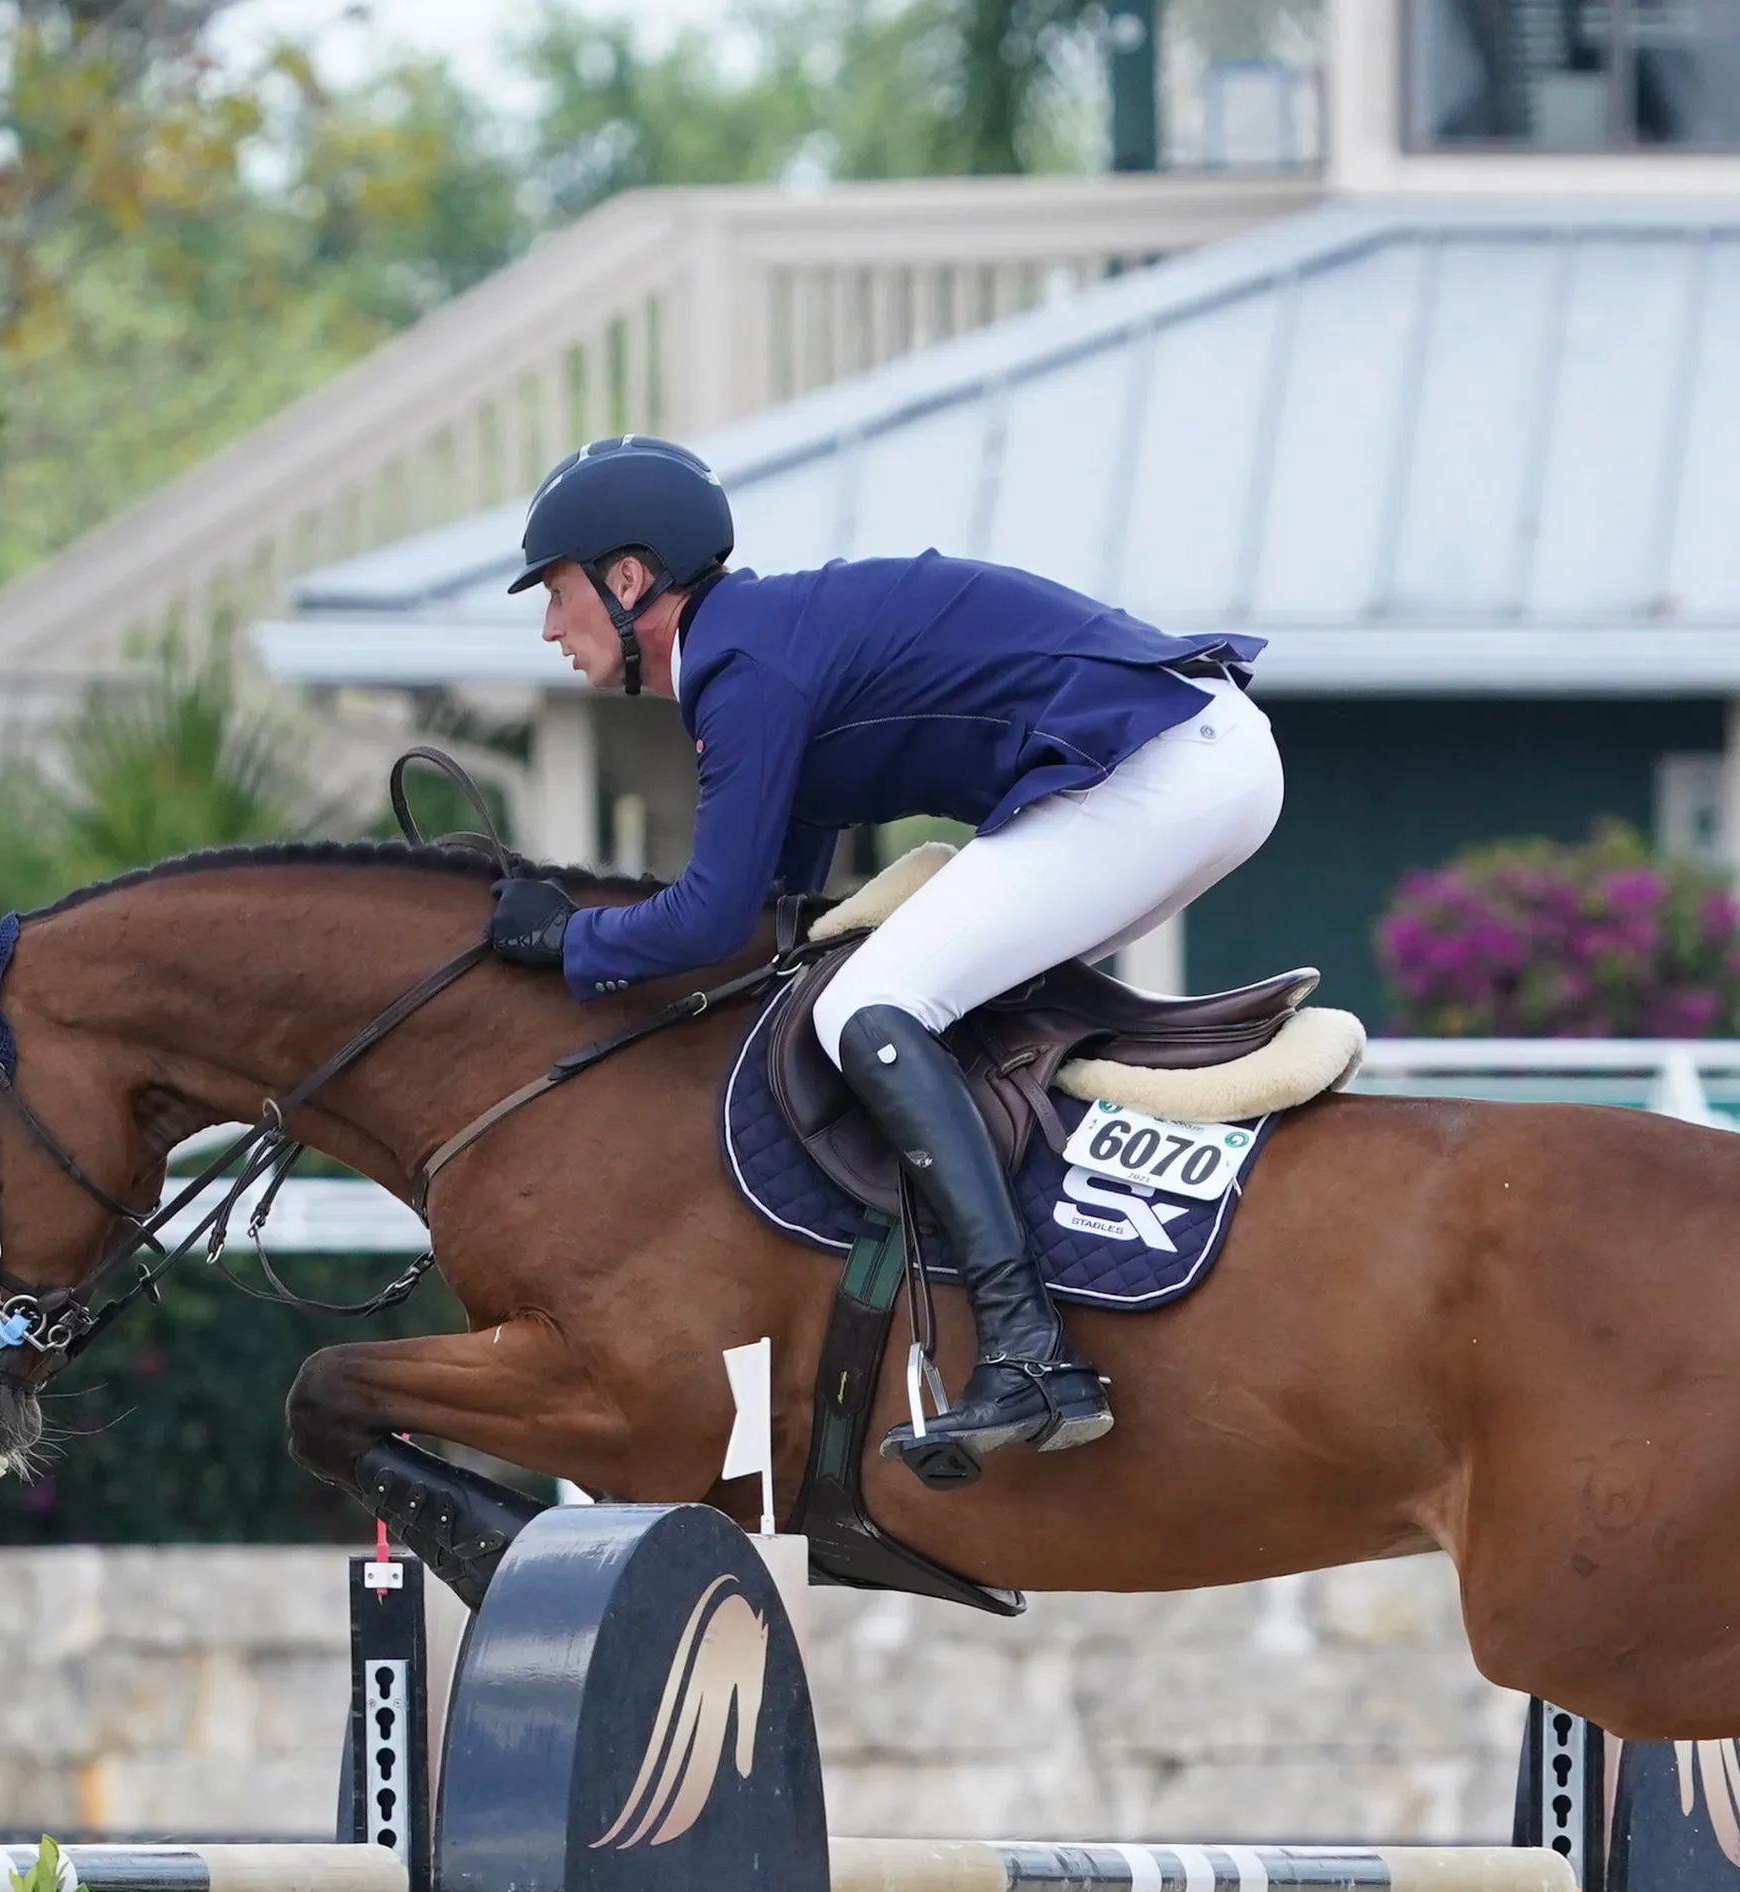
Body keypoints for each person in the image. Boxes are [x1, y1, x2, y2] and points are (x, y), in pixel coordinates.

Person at [484, 434, 1282, 1480]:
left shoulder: (742, 669)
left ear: (627, 580)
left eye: (556, 593)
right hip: (1199, 764)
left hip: (1159, 771)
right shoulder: (756, 649)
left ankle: (1027, 1348)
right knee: (899, 997)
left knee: (867, 1008)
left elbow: (708, 921)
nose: (550, 626)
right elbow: (769, 917)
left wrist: (565, 938)